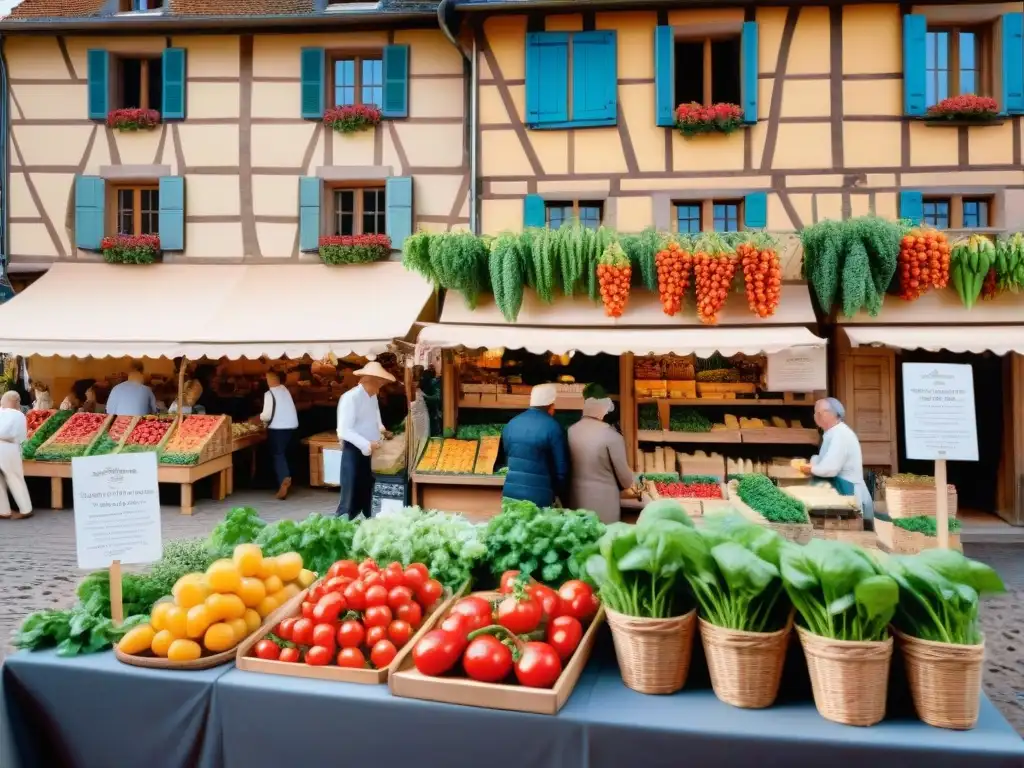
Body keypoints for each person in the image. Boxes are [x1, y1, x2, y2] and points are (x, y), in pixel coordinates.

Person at [335, 361, 394, 519]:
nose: (380, 387)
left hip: (369, 450)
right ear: (369, 381)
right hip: (353, 449)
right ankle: (342, 523)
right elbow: (344, 430)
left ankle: (365, 520)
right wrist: (366, 444)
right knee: (350, 492)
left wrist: (381, 429)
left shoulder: (372, 396)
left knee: (365, 489)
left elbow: (375, 417)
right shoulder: (350, 398)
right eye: (379, 383)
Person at [800, 397, 874, 520]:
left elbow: (831, 468)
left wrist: (811, 469)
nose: (816, 416)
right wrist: (814, 461)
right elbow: (825, 459)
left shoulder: (840, 435)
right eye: (815, 412)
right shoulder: (832, 432)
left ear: (833, 414)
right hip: (840, 488)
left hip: (848, 491)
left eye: (820, 412)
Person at [566, 388, 633, 523]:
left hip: (573, 501)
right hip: (603, 505)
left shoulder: (569, 431)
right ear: (603, 412)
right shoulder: (611, 436)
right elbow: (626, 480)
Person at [500, 383, 569, 508]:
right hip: (539, 496)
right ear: (551, 406)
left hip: (510, 494)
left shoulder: (512, 424)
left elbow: (507, 455)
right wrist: (559, 494)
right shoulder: (553, 427)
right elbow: (561, 470)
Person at [259, 371, 299, 500]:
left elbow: (266, 415)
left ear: (271, 380)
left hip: (278, 427)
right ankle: (290, 477)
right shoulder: (284, 390)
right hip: (291, 426)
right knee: (287, 452)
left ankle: (284, 478)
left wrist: (260, 419)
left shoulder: (269, 393)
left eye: (267, 378)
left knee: (278, 454)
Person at [0, 391, 32, 519]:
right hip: (9, 448)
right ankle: (25, 509)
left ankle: (3, 510)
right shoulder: (19, 415)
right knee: (15, 477)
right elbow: (22, 436)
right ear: (16, 402)